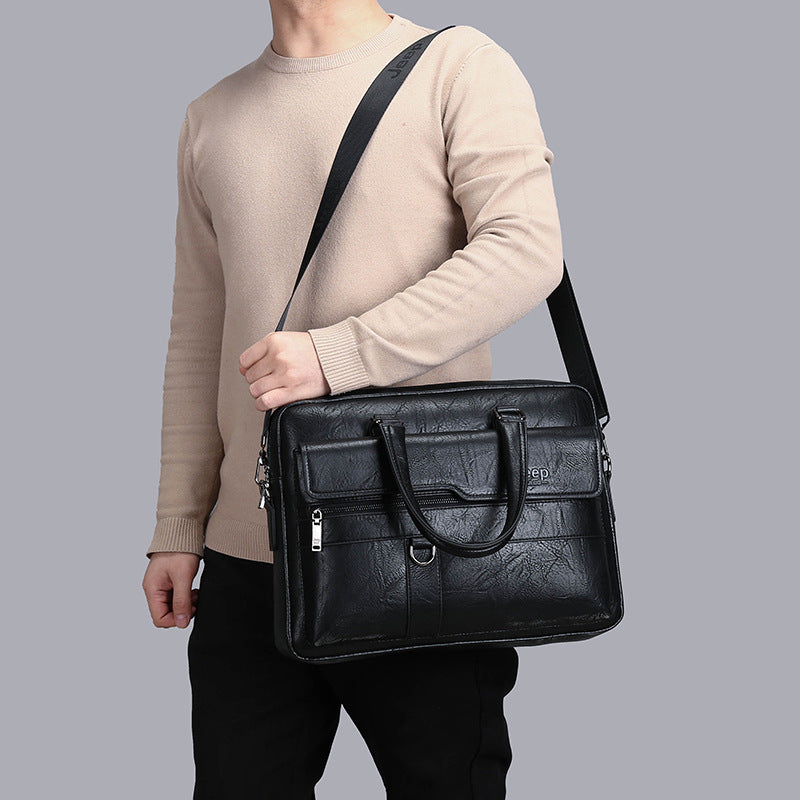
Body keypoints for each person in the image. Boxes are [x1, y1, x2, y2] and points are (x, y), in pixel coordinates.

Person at [141, 1, 564, 797]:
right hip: (250, 560)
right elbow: (199, 336)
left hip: (423, 539)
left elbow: (525, 248)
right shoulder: (211, 116)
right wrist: (179, 523)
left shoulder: (458, 67)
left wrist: (336, 356)